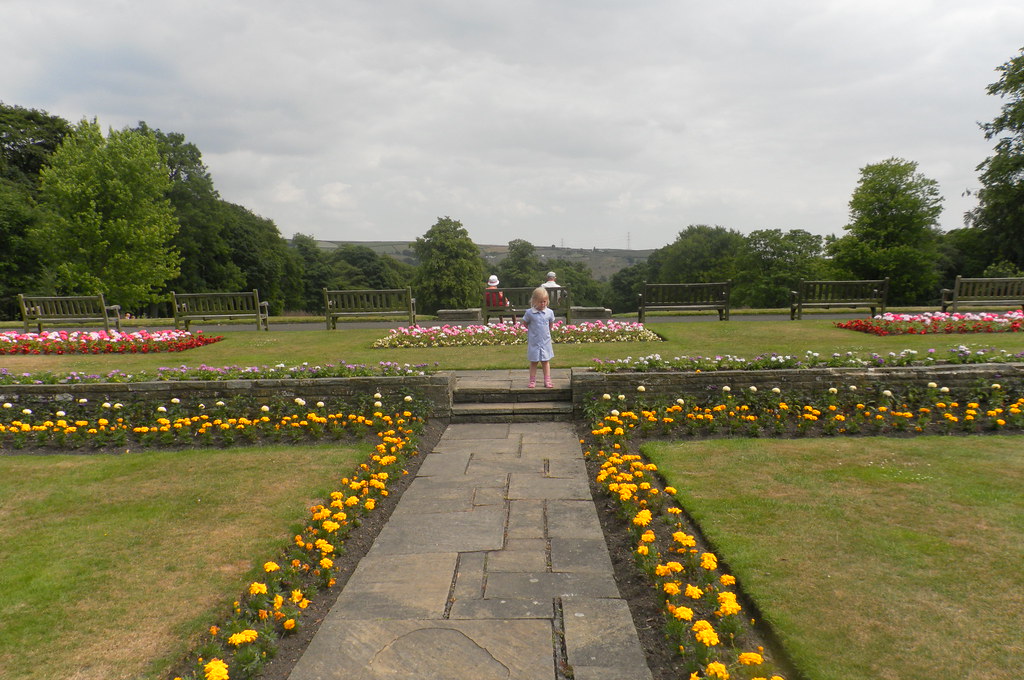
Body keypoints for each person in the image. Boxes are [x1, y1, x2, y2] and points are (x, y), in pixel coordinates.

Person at [522, 286, 555, 388]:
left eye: (545, 301)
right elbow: (525, 323)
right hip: (534, 341)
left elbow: (550, 324)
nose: (543, 304)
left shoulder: (549, 312)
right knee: (534, 361)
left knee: (546, 361)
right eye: (540, 302)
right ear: (534, 301)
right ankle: (532, 380)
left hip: (545, 341)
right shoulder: (530, 313)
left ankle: (547, 380)